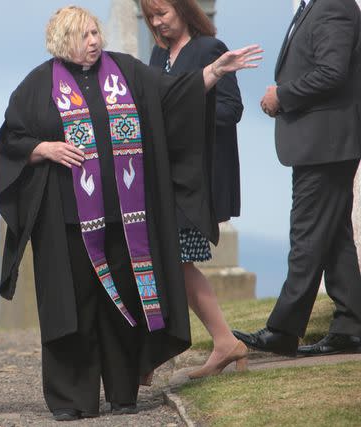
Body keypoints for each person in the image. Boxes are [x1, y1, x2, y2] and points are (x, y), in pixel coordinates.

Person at [0, 5, 260, 420]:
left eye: (96, 33)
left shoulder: (127, 71)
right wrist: (42, 148)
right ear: (63, 40)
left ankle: (122, 393)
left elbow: (175, 95)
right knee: (76, 308)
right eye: (85, 36)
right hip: (68, 222)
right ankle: (73, 398)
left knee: (125, 307)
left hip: (126, 216)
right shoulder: (37, 85)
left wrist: (214, 73)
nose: (95, 41)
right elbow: (11, 137)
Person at [233, 0, 361, 357]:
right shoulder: (315, 6)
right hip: (322, 143)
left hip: (327, 142)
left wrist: (281, 96)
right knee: (334, 236)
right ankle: (352, 326)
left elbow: (332, 72)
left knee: (306, 232)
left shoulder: (334, 5)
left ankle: (283, 330)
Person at [141, 0, 247, 379]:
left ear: (183, 9)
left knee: (175, 260)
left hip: (196, 178)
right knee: (169, 261)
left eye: (162, 14)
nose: (156, 22)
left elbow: (231, 109)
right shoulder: (158, 53)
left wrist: (180, 116)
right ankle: (218, 342)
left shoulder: (207, 49)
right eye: (150, 16)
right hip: (168, 178)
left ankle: (211, 343)